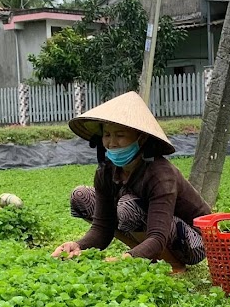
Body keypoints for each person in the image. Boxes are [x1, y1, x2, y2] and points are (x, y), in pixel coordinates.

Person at [51, 91, 211, 272]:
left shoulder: (160, 174)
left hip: (194, 241)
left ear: (140, 138)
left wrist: (125, 259)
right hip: (154, 230)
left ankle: (173, 265)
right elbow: (103, 227)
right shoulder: (106, 172)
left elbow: (158, 237)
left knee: (128, 207)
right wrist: (78, 245)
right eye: (107, 135)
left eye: (119, 135)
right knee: (81, 195)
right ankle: (146, 255)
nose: (111, 143)